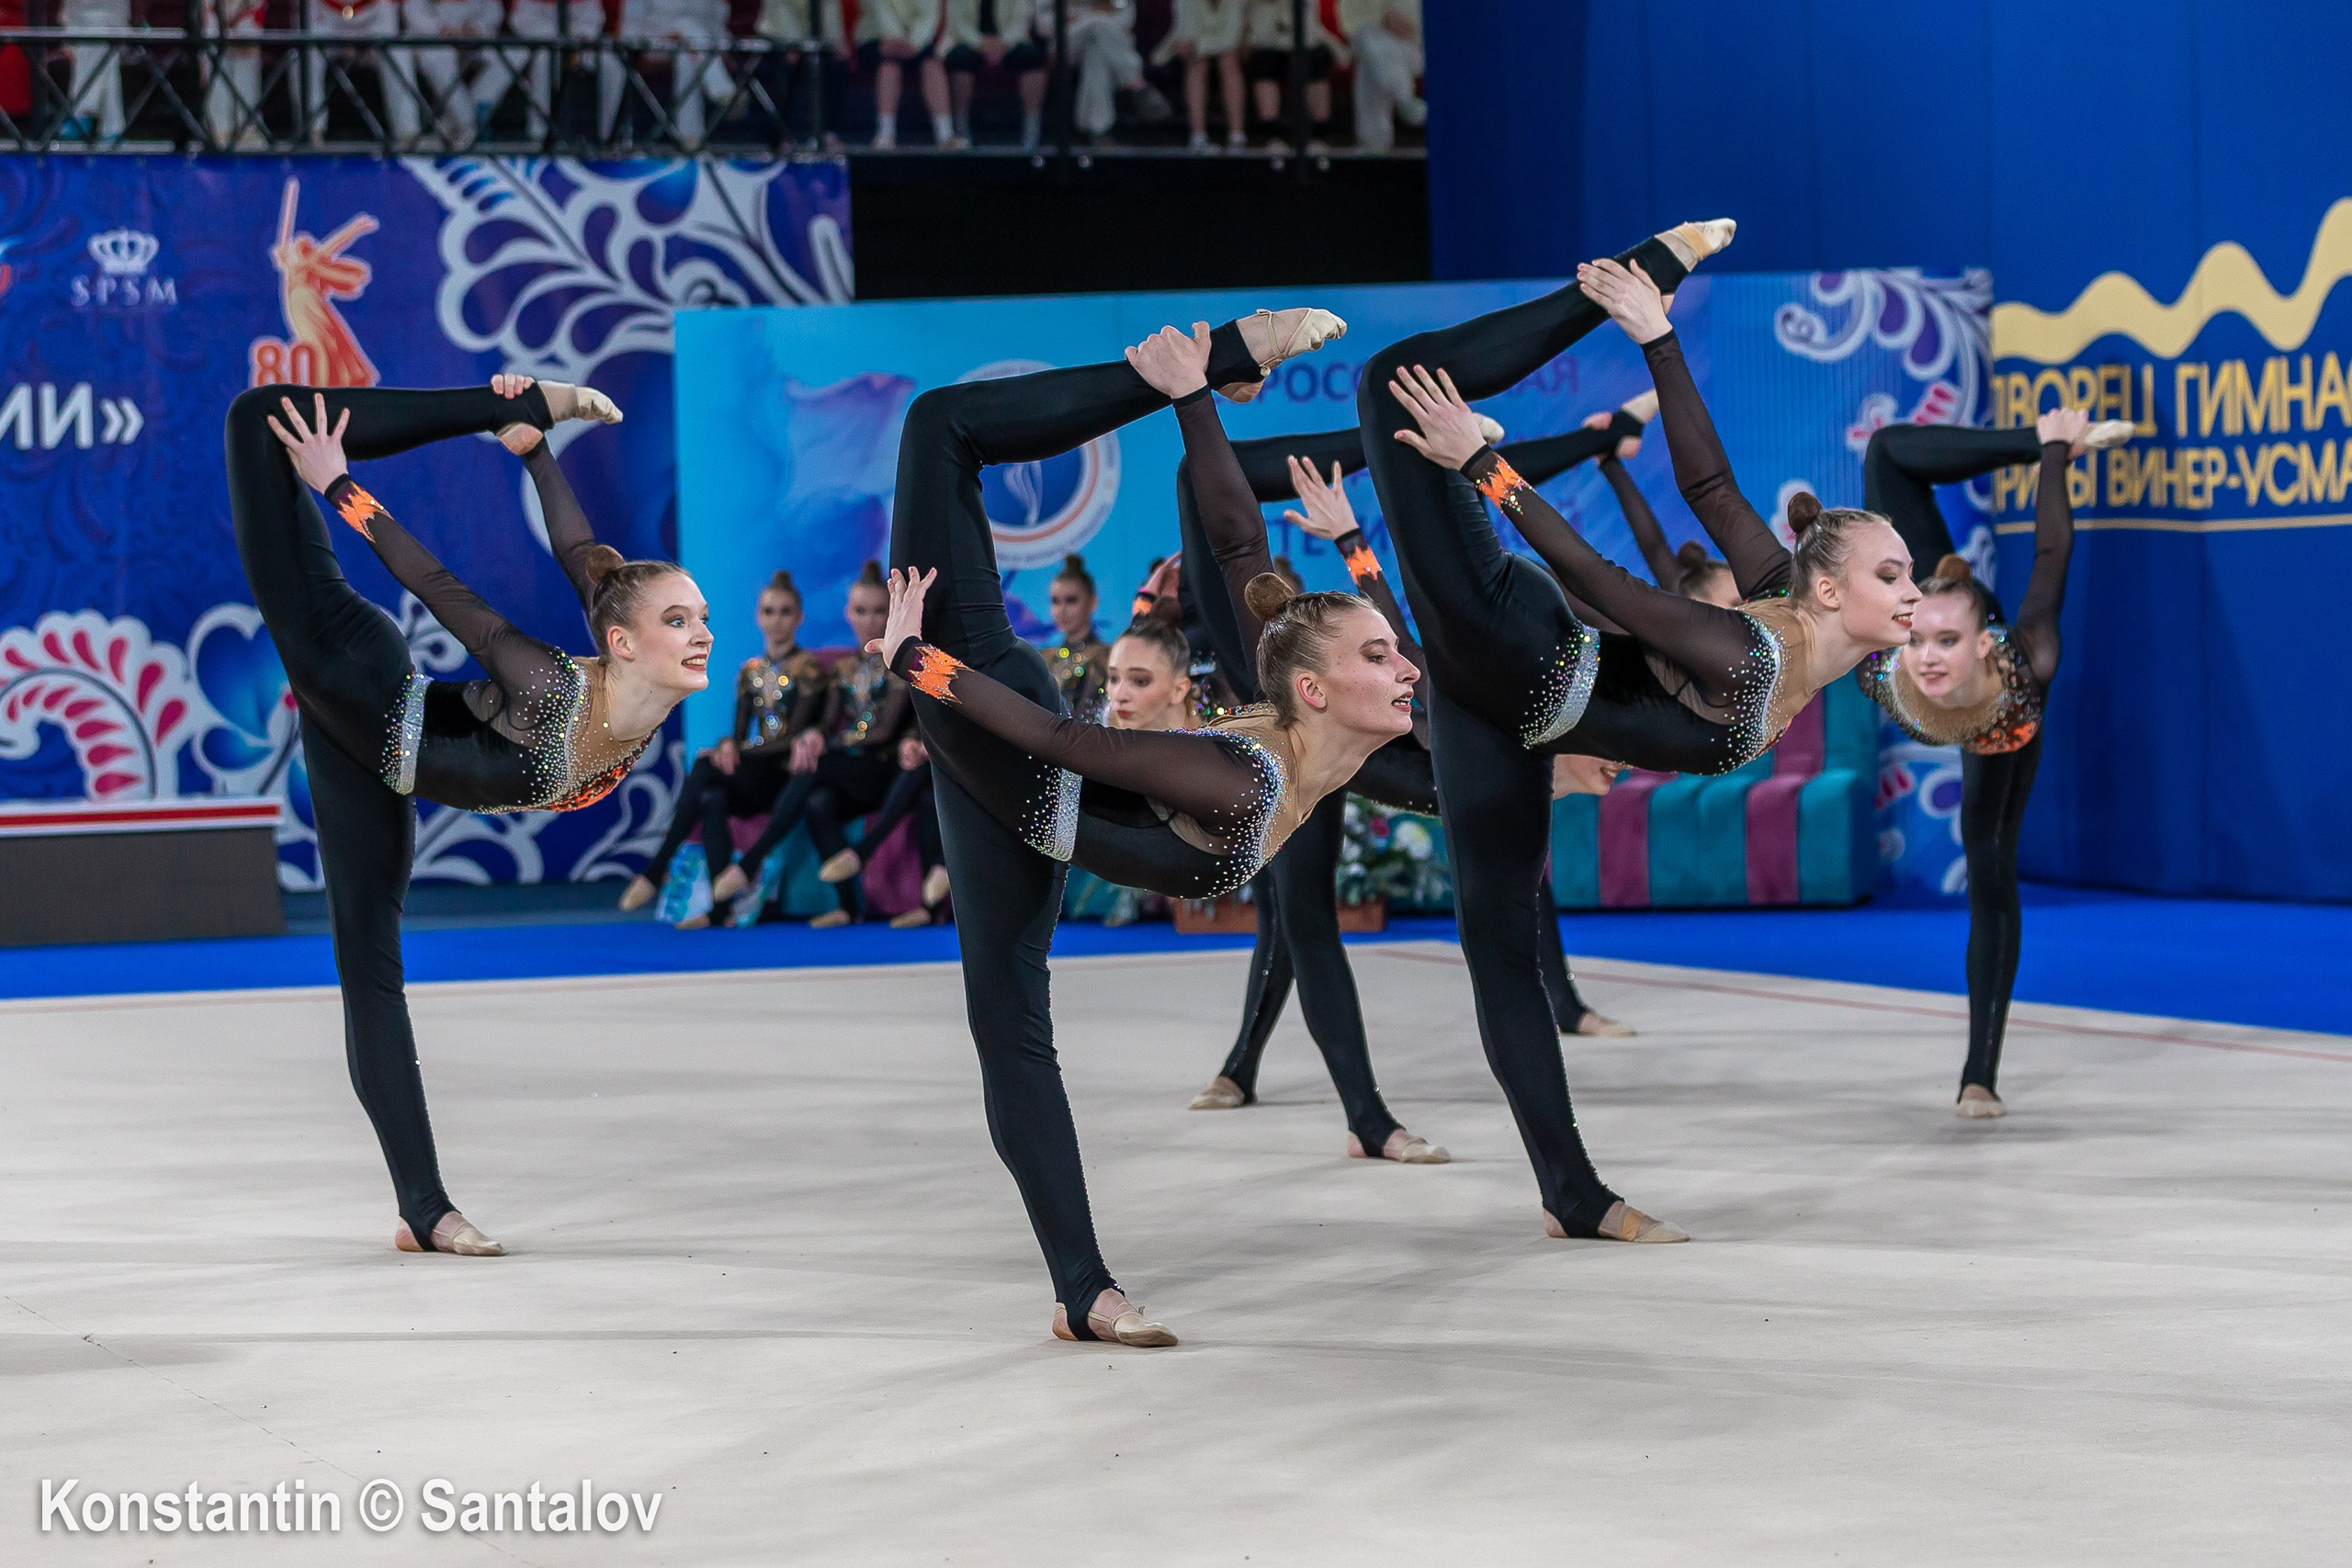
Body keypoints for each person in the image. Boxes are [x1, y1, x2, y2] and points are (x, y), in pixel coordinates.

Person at [877, 307, 1349, 1347]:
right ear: (1317, 688)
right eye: (1382, 659)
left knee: (1009, 1032)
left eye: (1392, 666)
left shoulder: (1288, 761)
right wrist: (1196, 392)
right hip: (1005, 742)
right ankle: (1083, 1282)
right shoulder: (1265, 740)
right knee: (937, 429)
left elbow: (1084, 746)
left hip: (1012, 761)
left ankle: (1081, 1290)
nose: (1400, 670)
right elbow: (1235, 541)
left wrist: (920, 669)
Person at [227, 374, 688, 1256]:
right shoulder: (553, 688)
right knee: (260, 421)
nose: (703, 632)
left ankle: (424, 1209)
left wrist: (538, 451)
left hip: (374, 761)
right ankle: (490, 400)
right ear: (626, 643)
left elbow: (580, 546)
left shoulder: (630, 709)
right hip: (349, 672)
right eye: (681, 618)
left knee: (369, 961)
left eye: (699, 615)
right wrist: (336, 482)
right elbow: (439, 586)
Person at [1351, 223, 1743, 1247]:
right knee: (1498, 948)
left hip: (1509, 657)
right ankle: (1571, 1190)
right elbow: (1619, 569)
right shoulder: (1752, 631)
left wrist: (1481, 465)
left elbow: (1632, 568)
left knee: (1393, 379)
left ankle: (1569, 1189)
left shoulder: (1756, 657)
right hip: (1498, 669)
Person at [1175, 420, 1636, 1160]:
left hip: (1311, 759)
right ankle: (1336, 1107)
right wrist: (1351, 533)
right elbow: (1408, 650)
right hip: (1296, 716)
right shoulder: (1487, 732)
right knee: (1194, 487)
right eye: (1615, 754)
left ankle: (1266, 1079)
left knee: (1299, 920)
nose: (1624, 769)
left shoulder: (1514, 791)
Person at [1854, 406, 2109, 1119]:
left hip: (2000, 729)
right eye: (1920, 642)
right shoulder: (1891, 662)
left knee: (1990, 864)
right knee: (1887, 453)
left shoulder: (2027, 665)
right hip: (1950, 612)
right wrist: (2042, 443)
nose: (1927, 658)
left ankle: (1979, 1070)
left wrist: (2059, 459)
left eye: (1944, 644)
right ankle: (2036, 435)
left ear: (1982, 643)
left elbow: (2052, 557)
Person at [709, 562, 912, 923]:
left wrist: (827, 742)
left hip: (887, 769)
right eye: (861, 611)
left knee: (816, 768)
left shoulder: (901, 663)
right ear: (848, 614)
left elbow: (882, 734)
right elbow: (827, 722)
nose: (869, 620)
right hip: (849, 770)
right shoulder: (843, 668)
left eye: (879, 610)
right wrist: (815, 735)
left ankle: (752, 862)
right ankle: (848, 907)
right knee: (819, 801)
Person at [620, 569, 829, 915]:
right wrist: (726, 746)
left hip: (785, 776)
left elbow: (792, 739)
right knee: (711, 794)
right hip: (752, 774)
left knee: (704, 766)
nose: (776, 621)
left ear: (799, 618)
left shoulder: (809, 668)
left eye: (785, 612)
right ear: (758, 617)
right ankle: (720, 910)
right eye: (769, 612)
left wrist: (733, 750)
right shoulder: (749, 671)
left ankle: (658, 867)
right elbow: (738, 733)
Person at [943, 0, 1046, 150]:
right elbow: (958, 23)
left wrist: (1002, 44)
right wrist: (981, 43)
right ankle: (961, 132)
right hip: (971, 42)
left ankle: (1031, 133)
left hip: (1009, 41)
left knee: (1031, 58)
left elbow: (1020, 20)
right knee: (959, 59)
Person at [1153, 0, 1246, 152]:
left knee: (1228, 59)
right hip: (1197, 49)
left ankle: (1237, 135)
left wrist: (1206, 45)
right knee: (1197, 61)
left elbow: (1233, 38)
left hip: (1225, 47)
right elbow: (1185, 42)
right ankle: (1198, 135)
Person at [856, 0, 951, 149]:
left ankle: (945, 135)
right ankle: (885, 134)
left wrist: (914, 44)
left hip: (916, 41)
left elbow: (929, 16)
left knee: (932, 64)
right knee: (889, 64)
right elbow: (880, 14)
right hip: (877, 36)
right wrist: (896, 42)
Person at [1241, 0, 1334, 149]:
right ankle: (1272, 137)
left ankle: (1318, 137)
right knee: (1265, 59)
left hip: (1305, 32)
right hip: (1265, 31)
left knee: (1314, 58)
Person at [1334, 0, 1421, 152]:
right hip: (1378, 53)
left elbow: (1411, 24)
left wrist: (1402, 23)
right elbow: (1352, 24)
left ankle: (1373, 142)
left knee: (1373, 52)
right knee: (1371, 44)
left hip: (1416, 49)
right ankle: (1405, 101)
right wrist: (1384, 19)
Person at [1044, 553, 1110, 722]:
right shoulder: (1046, 659)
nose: (1062, 610)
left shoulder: (1106, 658)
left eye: (1071, 600)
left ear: (1092, 602)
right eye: (1055, 601)